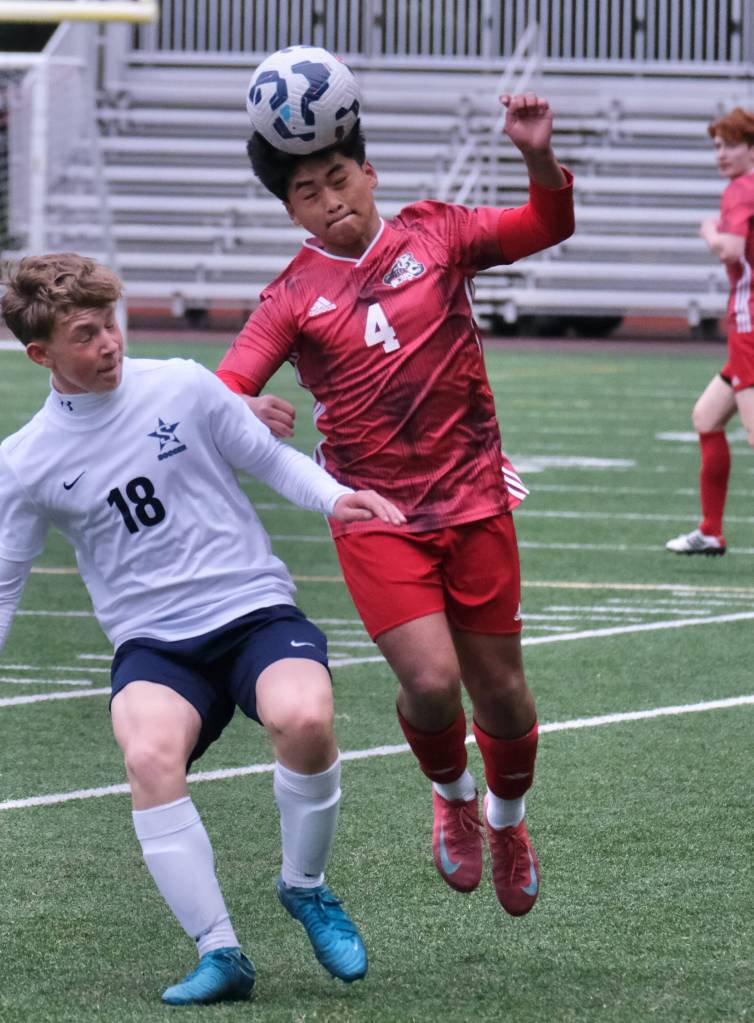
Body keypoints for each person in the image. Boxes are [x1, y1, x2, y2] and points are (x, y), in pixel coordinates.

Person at [0, 253, 407, 1005]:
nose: (109, 343)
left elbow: (270, 460)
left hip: (252, 610)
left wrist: (338, 499)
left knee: (304, 715)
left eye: (110, 323)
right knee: (147, 752)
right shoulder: (26, 459)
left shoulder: (179, 382)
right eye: (85, 334)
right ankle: (221, 952)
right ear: (40, 354)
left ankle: (305, 885)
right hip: (154, 646)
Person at [216, 93, 575, 918]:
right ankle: (450, 794)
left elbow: (544, 225)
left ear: (369, 174)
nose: (331, 200)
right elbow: (224, 390)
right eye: (309, 193)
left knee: (507, 697)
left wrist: (536, 155)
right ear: (289, 209)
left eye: (340, 179)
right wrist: (243, 410)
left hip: (475, 497)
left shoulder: (436, 233)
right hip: (374, 511)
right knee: (431, 677)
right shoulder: (290, 297)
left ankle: (507, 820)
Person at [666, 108, 754, 557]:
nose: (721, 154)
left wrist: (709, 232)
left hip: (750, 327)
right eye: (716, 146)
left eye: (730, 145)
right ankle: (710, 531)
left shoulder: (741, 189)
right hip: (746, 327)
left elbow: (732, 250)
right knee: (706, 417)